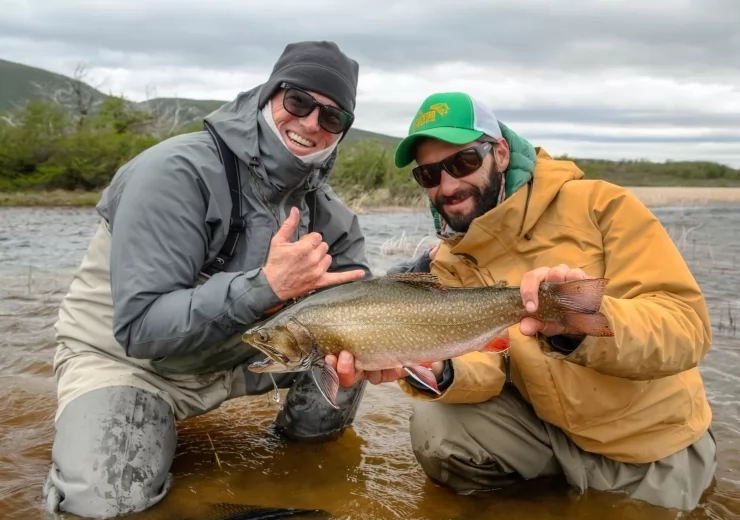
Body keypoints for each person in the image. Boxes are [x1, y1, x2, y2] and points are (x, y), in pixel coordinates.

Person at [327, 91, 717, 511]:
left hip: (650, 446)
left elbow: (686, 329)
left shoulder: (600, 205)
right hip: (544, 433)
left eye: (463, 163)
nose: (448, 185)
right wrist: (437, 367)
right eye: (429, 175)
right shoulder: (448, 262)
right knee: (437, 425)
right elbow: (489, 363)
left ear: (499, 153)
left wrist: (582, 323)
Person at [43, 40, 372, 519]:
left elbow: (364, 310)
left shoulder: (333, 218)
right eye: (299, 101)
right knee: (102, 502)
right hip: (128, 362)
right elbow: (140, 330)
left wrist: (380, 351)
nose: (310, 123)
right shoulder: (175, 173)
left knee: (353, 348)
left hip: (239, 357)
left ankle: (302, 474)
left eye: (332, 117)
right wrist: (266, 286)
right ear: (268, 96)